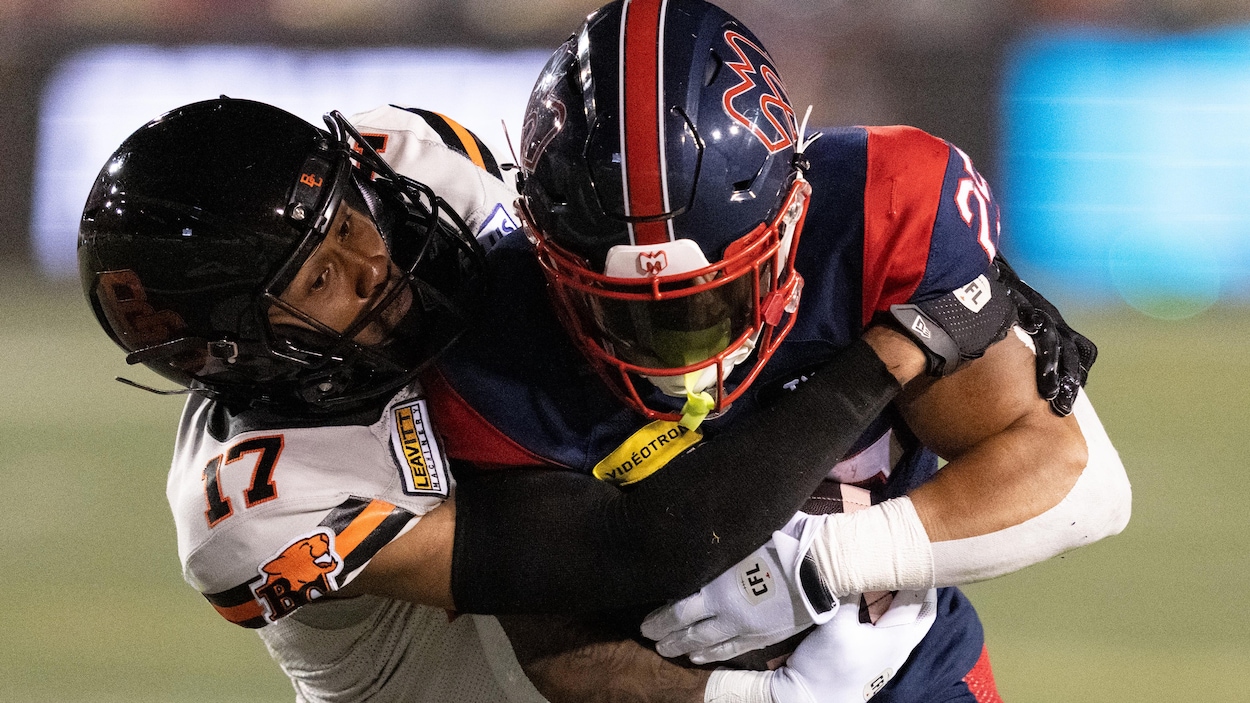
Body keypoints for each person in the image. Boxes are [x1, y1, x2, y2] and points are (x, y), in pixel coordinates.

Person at [77, 98, 1032, 702]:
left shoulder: (410, 159)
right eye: (320, 276)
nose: (374, 259)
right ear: (238, 348)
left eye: (350, 219)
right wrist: (902, 342)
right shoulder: (255, 504)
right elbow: (620, 557)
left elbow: (609, 239)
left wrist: (959, 271)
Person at [412, 0, 1131, 701]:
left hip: (914, 674)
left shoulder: (873, 212)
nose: (677, 352)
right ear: (546, 255)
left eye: (712, 298)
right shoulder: (492, 345)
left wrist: (833, 561)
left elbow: (1080, 485)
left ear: (792, 215)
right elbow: (554, 643)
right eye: (622, 307)